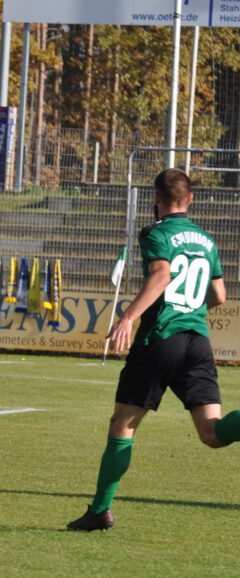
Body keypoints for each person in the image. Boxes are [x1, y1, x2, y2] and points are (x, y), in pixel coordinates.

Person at [67, 168, 240, 531]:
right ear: (190, 199)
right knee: (212, 433)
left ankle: (100, 510)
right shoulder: (207, 240)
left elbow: (161, 275)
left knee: (123, 423)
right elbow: (220, 295)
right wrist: (190, 309)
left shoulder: (156, 231)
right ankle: (98, 511)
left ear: (156, 200)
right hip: (198, 341)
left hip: (161, 339)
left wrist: (129, 317)